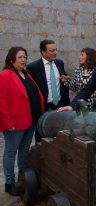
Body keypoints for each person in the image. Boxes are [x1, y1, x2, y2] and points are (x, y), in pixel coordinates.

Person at [0, 47, 44, 195]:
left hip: (29, 120)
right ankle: (9, 182)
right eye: (20, 57)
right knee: (11, 152)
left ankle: (23, 178)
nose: (23, 60)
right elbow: (1, 102)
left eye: (25, 57)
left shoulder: (26, 74)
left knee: (24, 151)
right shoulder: (5, 75)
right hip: (14, 123)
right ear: (12, 59)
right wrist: (7, 123)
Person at [26, 39, 70, 141]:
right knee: (42, 135)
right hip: (43, 107)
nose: (55, 52)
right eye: (52, 50)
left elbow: (63, 82)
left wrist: (65, 81)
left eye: (56, 50)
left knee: (60, 134)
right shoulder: (33, 67)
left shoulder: (59, 63)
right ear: (43, 52)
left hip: (59, 105)